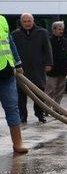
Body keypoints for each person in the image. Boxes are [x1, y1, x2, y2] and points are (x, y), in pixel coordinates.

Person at [11, 13, 52, 124]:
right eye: (24, 21)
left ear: (33, 21)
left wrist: (49, 63)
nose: (27, 23)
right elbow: (12, 52)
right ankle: (23, 116)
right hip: (22, 70)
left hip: (37, 68)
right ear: (21, 22)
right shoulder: (15, 34)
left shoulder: (42, 32)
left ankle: (39, 115)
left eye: (29, 21)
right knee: (21, 94)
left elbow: (47, 49)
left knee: (39, 92)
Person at [0, 14, 28, 154]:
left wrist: (18, 64)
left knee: (12, 108)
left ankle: (18, 143)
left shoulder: (2, 20)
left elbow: (9, 43)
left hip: (6, 72)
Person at [45, 21, 67, 105]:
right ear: (53, 30)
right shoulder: (49, 41)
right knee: (50, 90)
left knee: (60, 91)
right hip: (52, 72)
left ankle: (57, 108)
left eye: (62, 29)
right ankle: (46, 108)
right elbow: (45, 55)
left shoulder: (65, 41)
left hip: (62, 71)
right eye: (59, 29)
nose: (61, 31)